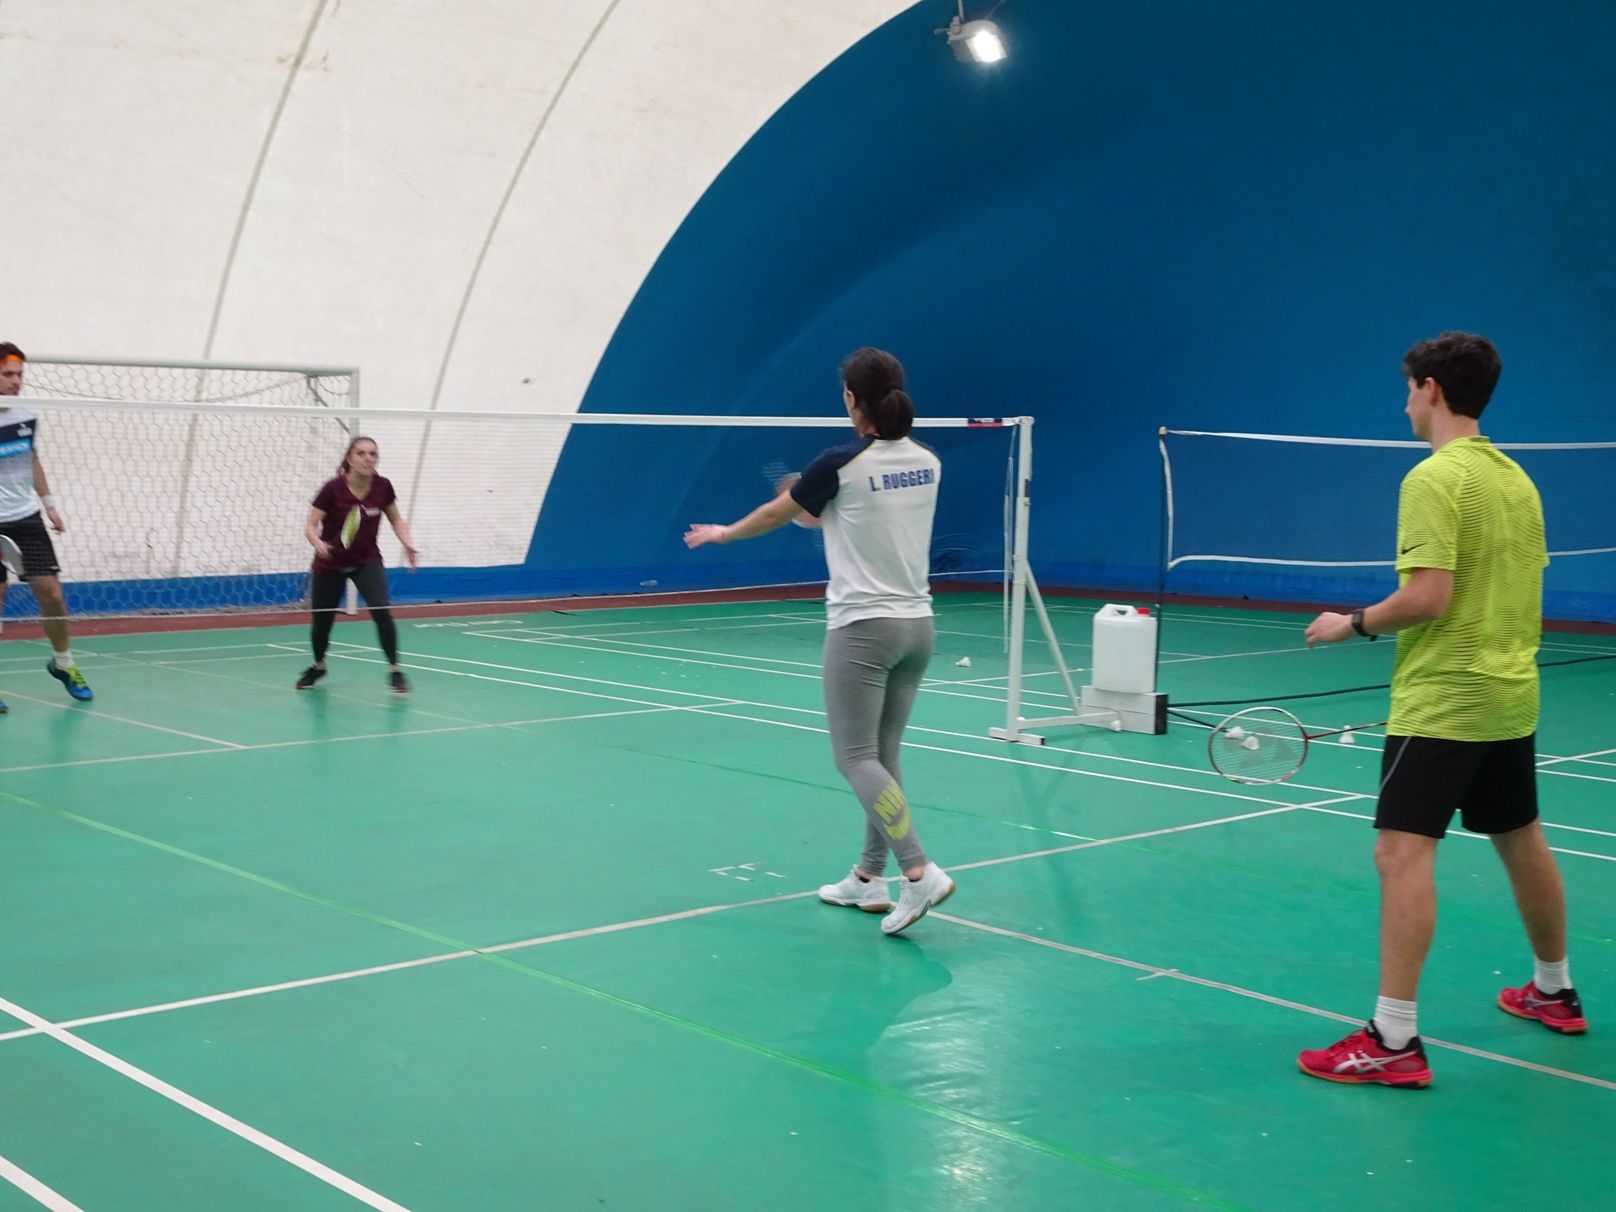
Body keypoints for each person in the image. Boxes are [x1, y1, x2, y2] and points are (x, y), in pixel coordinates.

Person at [1298, 332, 1583, 1089]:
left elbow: (1427, 597)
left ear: (1430, 388)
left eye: (1407, 389)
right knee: (1519, 836)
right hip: (1508, 692)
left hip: (1444, 701)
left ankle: (1392, 1039)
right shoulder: (1516, 481)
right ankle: (1554, 990)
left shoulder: (1433, 478)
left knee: (1400, 853)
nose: (1403, 405)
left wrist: (1351, 624)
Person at [684, 347, 954, 936]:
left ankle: (918, 872)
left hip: (864, 630)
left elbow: (776, 514)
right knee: (881, 758)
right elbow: (865, 513)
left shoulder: (839, 463)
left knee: (854, 758)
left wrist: (723, 533)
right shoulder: (928, 461)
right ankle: (869, 877)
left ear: (852, 399)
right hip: (918, 627)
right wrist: (821, 510)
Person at [0, 343, 93, 708]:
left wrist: (50, 505)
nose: (16, 381)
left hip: (25, 516)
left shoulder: (27, 411)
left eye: (19, 374)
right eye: (8, 374)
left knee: (51, 594)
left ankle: (64, 664)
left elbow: (31, 457)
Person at [298, 436, 419, 692]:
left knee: (382, 611)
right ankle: (318, 665)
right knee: (321, 623)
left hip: (366, 560)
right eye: (361, 453)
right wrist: (318, 543)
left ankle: (395, 670)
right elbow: (310, 526)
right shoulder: (332, 489)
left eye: (372, 454)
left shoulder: (383, 487)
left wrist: (408, 543)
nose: (367, 458)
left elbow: (396, 519)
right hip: (330, 562)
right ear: (350, 458)